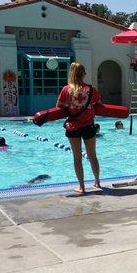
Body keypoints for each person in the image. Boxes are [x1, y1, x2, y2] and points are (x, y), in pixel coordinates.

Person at [56, 62, 102, 193]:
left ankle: (81, 186)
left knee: (77, 157)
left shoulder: (66, 89)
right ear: (84, 74)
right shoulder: (91, 89)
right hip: (88, 125)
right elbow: (99, 103)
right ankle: (97, 182)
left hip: (73, 126)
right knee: (92, 155)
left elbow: (59, 105)